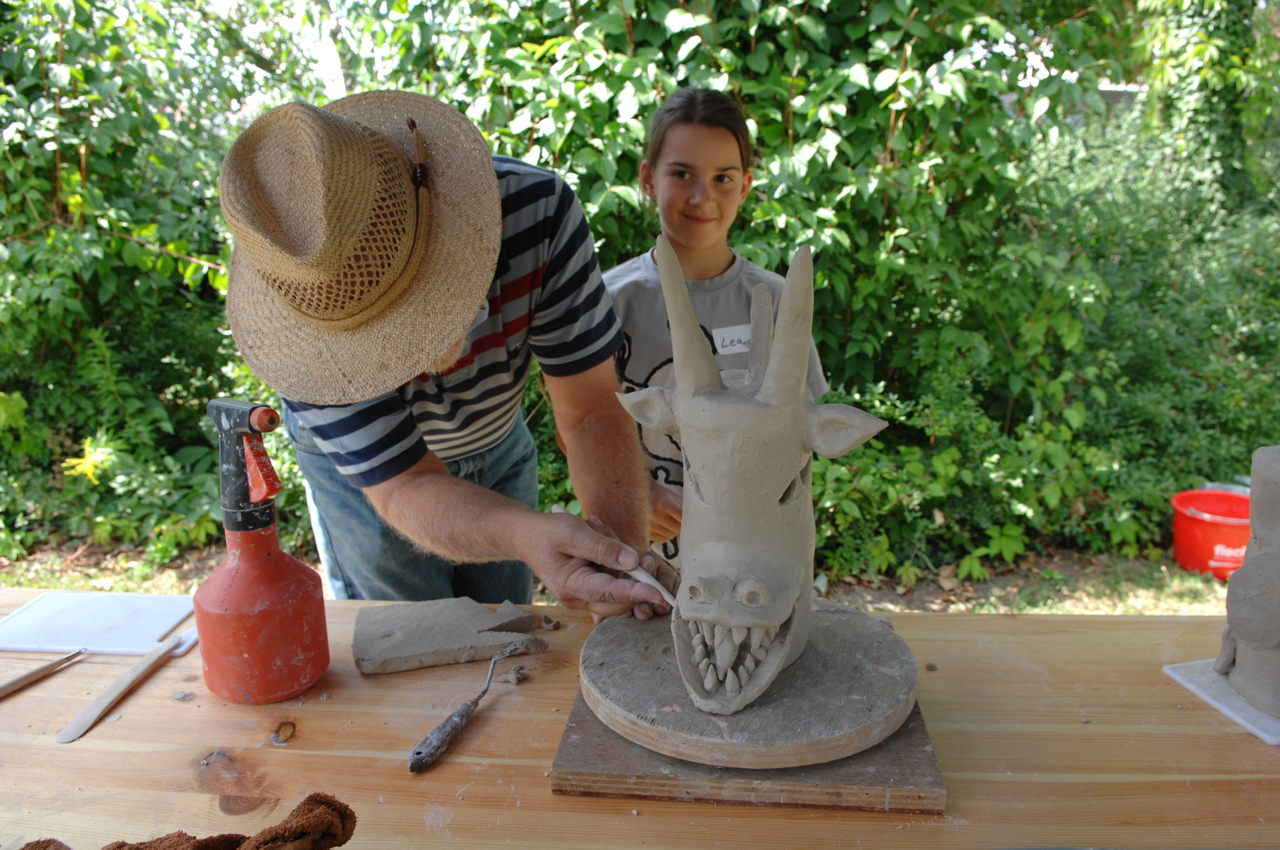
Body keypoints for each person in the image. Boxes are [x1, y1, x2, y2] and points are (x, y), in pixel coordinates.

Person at [217, 91, 674, 620]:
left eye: (427, 308)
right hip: (375, 483)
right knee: (415, 641)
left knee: (509, 627)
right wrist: (527, 533)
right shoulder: (296, 326)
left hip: (497, 438)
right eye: (381, 340)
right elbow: (407, 485)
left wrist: (618, 566)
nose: (432, 362)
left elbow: (593, 410)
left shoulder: (535, 212)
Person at [605, 88, 829, 563]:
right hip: (639, 558)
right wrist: (633, 493)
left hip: (752, 561)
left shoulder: (778, 300)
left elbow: (798, 435)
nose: (702, 196)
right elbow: (581, 423)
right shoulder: (609, 300)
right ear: (648, 178)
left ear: (745, 185)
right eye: (682, 173)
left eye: (722, 178)